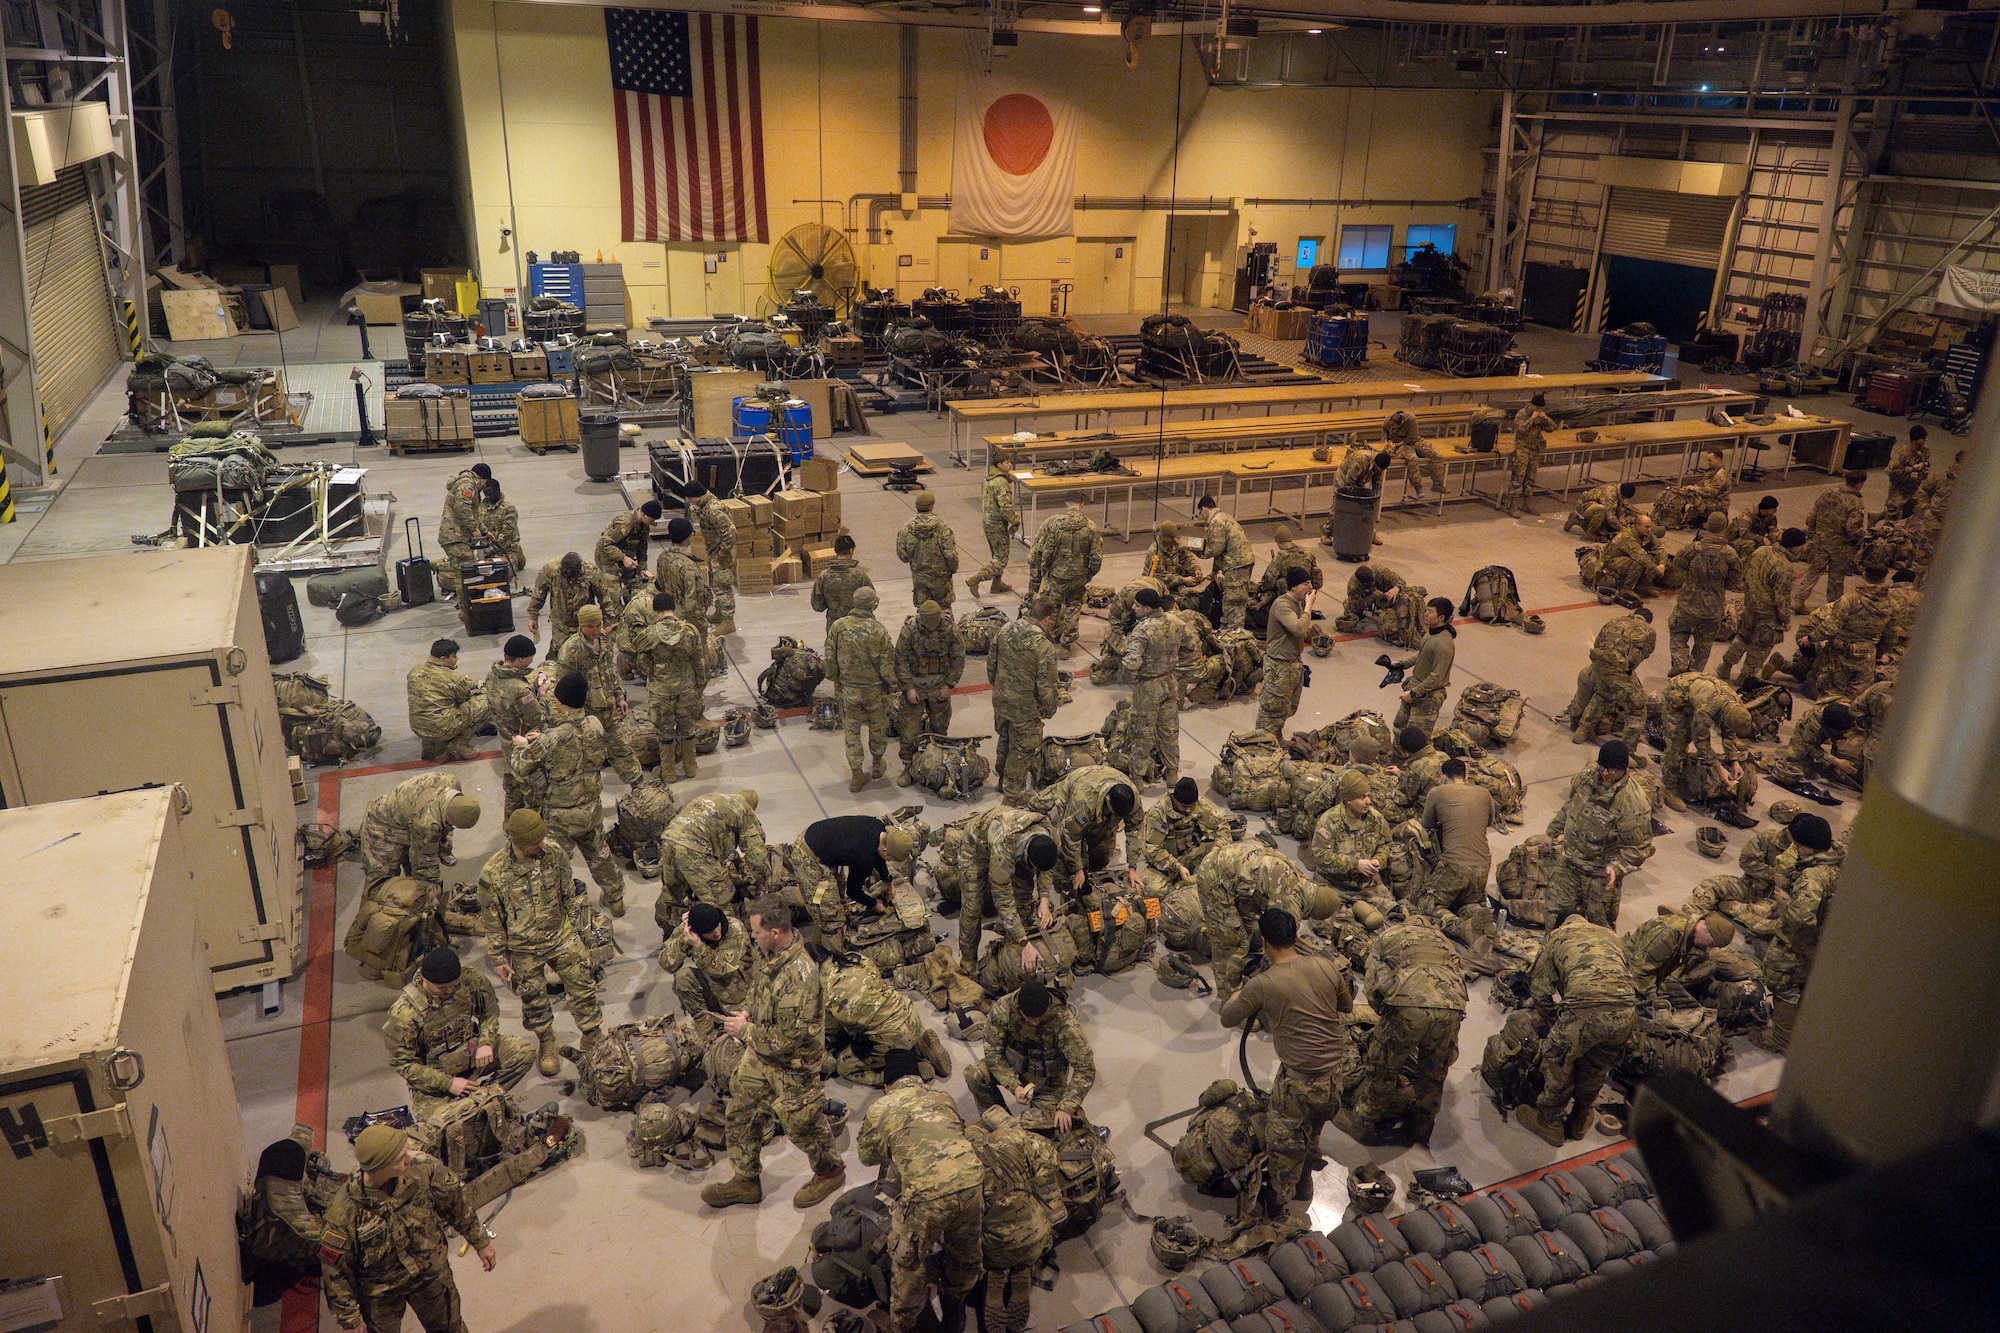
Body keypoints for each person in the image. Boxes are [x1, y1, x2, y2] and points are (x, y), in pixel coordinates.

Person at [701, 896, 848, 1210]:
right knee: (741, 1109)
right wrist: (749, 1015)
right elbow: (760, 991)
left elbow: (788, 1041)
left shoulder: (800, 979)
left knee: (802, 1125)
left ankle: (830, 1172)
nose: (752, 935)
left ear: (777, 932)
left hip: (792, 1065)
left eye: (756, 930)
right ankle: (746, 1179)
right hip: (761, 1055)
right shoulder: (770, 954)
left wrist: (745, 1032)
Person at [1219, 908, 1353, 1208]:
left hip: (1299, 1082)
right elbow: (1346, 1007)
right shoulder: (1326, 966)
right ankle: (1305, 1181)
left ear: (1264, 942)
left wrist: (1238, 991)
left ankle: (1279, 1203)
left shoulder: (1263, 984)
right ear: (1296, 935)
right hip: (1335, 1076)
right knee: (1313, 1128)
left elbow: (1228, 1018)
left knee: (1283, 1146)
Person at [318, 1124, 495, 1333]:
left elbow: (456, 1205)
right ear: (381, 1166)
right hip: (381, 1293)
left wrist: (480, 1242)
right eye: (401, 1157)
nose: (410, 1158)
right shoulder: (344, 1213)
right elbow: (335, 1270)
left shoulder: (423, 1168)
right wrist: (351, 1319)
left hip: (429, 1273)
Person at [858, 1048, 986, 1333]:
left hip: (925, 1198)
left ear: (887, 1085)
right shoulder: (943, 1097)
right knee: (965, 1252)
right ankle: (956, 1306)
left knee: (908, 1263)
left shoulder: (883, 1106)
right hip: (970, 1183)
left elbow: (868, 1155)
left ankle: (902, 1324)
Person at [477, 809, 603, 1075]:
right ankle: (547, 1041)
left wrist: (582, 934)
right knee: (533, 999)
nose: (542, 845)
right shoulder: (493, 874)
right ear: (519, 843)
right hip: (523, 948)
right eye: (536, 842)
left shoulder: (555, 854)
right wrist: (499, 958)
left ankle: (592, 1035)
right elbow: (492, 921)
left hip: (561, 935)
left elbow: (569, 895)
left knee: (583, 984)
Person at [1339, 908, 1466, 1148]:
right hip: (1451, 1007)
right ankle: (1422, 1124)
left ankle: (1366, 1121)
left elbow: (1374, 980)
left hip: (1407, 1006)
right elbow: (1458, 974)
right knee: (1434, 1071)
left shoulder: (1390, 936)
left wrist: (1383, 1011)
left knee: (1383, 1067)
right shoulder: (1445, 941)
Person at [508, 672, 626, 915]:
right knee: (599, 854)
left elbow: (522, 765)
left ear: (559, 702)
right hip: (590, 805)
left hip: (561, 814)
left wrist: (521, 746)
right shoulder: (594, 724)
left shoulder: (554, 737)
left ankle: (555, 906)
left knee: (552, 862)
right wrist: (544, 738)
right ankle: (615, 899)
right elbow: (573, 741)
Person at [1516, 915, 1638, 1147]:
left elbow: (1540, 990)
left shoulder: (1557, 937)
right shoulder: (1612, 936)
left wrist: (1553, 1021)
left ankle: (1549, 1121)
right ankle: (1580, 1118)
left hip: (1585, 1010)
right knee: (1598, 1064)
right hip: (1626, 1012)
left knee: (1557, 1059)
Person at [383, 946, 536, 1121]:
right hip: (438, 1072)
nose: (448, 991)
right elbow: (404, 1064)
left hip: (472, 1053)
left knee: (524, 1051)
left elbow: (490, 1013)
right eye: (441, 988)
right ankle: (475, 1103)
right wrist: (448, 1083)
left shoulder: (471, 980)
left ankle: (484, 1097)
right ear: (425, 979)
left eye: (453, 985)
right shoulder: (404, 1013)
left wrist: (485, 1042)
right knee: (435, 1122)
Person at [965, 1105, 1064, 1333]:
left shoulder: (965, 1159)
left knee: (983, 1231)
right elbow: (1050, 1162)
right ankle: (1023, 1271)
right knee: (1028, 1222)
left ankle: (994, 1277)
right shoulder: (1016, 1138)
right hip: (1035, 1236)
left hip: (993, 1245)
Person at [1538, 741, 1653, 929]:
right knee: (1554, 913)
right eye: (1602, 767)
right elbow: (1571, 806)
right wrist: (1552, 832)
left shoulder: (1633, 803)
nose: (1605, 773)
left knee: (1597, 927)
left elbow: (1640, 847)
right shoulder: (1588, 777)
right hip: (1569, 863)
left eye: (1611, 770)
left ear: (1623, 769)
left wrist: (1616, 868)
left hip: (1599, 876)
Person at [1752, 814, 1841, 1054]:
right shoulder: (1838, 858)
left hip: (1799, 942)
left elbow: (1801, 916)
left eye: (1799, 844)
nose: (1796, 848)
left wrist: (1785, 902)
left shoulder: (1813, 876)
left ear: (1808, 845)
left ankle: (1780, 1039)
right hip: (1824, 939)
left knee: (1783, 984)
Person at [966, 980, 1096, 1133]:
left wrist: (1066, 1107)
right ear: (1019, 1009)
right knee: (975, 1074)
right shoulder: (1004, 1009)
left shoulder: (1064, 1023)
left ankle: (1013, 1128)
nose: (1035, 1023)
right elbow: (993, 1053)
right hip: (1015, 1070)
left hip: (1048, 1085)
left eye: (1039, 1018)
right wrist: (1013, 1085)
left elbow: (1086, 1069)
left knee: (1051, 1130)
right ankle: (997, 1122)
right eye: (1030, 1018)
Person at [1198, 841, 1323, 997]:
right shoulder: (1288, 898)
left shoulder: (1301, 882)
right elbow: (1276, 935)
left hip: (1240, 879)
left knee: (1248, 927)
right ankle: (1229, 995)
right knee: (1232, 942)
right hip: (1215, 878)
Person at [954, 807, 1060, 969]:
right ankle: (968, 961)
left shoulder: (1048, 836)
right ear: (1028, 857)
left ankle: (1014, 937)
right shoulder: (1003, 848)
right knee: (973, 907)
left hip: (1012, 841)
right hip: (976, 848)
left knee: (1024, 896)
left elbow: (1046, 869)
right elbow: (1003, 898)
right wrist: (1024, 942)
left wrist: (1044, 898)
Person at [1416, 757, 1498, 959]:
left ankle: (1462, 928)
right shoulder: (1484, 793)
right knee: (1465, 901)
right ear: (1466, 776)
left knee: (1427, 905)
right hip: (1482, 866)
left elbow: (1426, 825)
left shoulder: (1437, 792)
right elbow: (1489, 821)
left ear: (1443, 776)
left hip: (1453, 865)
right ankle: (1476, 914)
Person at [555, 604, 644, 785]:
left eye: (598, 625)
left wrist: (619, 696)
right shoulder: (570, 650)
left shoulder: (605, 640)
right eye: (590, 626)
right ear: (581, 626)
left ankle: (639, 787)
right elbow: (564, 687)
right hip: (586, 714)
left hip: (609, 709)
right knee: (589, 759)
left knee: (622, 750)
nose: (595, 630)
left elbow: (610, 670)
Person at [655, 790, 770, 928]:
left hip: (669, 839)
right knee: (719, 900)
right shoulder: (744, 809)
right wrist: (758, 878)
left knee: (673, 892)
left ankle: (669, 930)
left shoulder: (714, 798)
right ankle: (729, 941)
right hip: (693, 848)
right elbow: (757, 853)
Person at [825, 584, 898, 792]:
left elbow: (829, 662)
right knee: (877, 727)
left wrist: (838, 680)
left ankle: (856, 774)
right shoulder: (879, 630)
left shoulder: (838, 627)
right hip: (874, 691)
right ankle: (877, 763)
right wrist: (893, 683)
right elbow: (887, 667)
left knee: (851, 732)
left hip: (849, 690)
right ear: (873, 606)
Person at [990, 599, 1062, 805]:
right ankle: (1012, 796)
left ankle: (1002, 780)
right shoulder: (1044, 646)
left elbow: (991, 663)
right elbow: (1046, 685)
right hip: (1026, 707)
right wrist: (1049, 709)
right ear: (1047, 619)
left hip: (1002, 700)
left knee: (1005, 739)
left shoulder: (1005, 630)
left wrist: (998, 687)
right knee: (1022, 749)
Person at [1028, 764, 1143, 891]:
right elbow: (1071, 837)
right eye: (1114, 812)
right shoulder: (1083, 800)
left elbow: (1135, 831)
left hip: (1103, 782)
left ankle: (1094, 874)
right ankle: (1064, 884)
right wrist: (1077, 869)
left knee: (1102, 848)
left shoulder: (1133, 798)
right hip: (1077, 783)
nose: (1116, 817)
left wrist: (1132, 867)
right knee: (1063, 847)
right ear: (1108, 799)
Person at [359, 773, 481, 890]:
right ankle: (371, 909)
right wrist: (433, 889)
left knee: (416, 856)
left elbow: (445, 817)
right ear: (448, 816)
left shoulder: (452, 783)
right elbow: (424, 864)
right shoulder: (427, 823)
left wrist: (448, 833)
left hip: (406, 814)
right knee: (382, 883)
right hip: (382, 826)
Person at [1658, 672, 1756, 816]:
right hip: (1678, 694)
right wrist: (1719, 768)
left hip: (1696, 695)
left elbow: (1729, 733)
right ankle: (1669, 787)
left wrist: (1734, 760)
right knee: (1677, 743)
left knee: (1688, 736)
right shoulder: (1707, 709)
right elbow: (1701, 741)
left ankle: (1677, 771)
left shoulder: (1736, 706)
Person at [1719, 528, 1805, 687]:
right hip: (1768, 615)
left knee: (1742, 638)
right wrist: (1786, 620)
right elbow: (1782, 598)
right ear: (1793, 546)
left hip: (1750, 606)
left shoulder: (1760, 551)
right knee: (1760, 648)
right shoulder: (1784, 567)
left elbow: (1744, 573)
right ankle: (1745, 678)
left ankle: (1725, 667)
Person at [636, 591, 707, 783]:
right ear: (673, 609)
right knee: (688, 729)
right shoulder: (690, 631)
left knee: (665, 733)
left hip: (661, 691)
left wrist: (654, 675)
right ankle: (690, 768)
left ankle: (669, 773)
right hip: (686, 688)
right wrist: (699, 686)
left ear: (656, 611)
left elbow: (642, 663)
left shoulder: (649, 634)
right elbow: (700, 662)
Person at [894, 599, 965, 786]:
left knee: (939, 729)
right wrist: (908, 687)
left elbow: (958, 658)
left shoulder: (950, 631)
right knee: (909, 731)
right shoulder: (910, 630)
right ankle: (909, 766)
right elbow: (900, 659)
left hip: (939, 686)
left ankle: (936, 765)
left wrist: (949, 685)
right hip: (915, 686)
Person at [1120, 587, 1183, 784]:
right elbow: (1190, 645)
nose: (1133, 608)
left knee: (1142, 732)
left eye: (1137, 606)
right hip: (1170, 682)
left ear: (1147, 609)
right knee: (1169, 730)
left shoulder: (1143, 629)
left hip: (1148, 687)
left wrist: (1130, 677)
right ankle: (1172, 773)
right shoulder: (1175, 622)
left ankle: (1137, 777)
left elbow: (1132, 663)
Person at [1667, 512, 1741, 674]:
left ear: (1708, 526)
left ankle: (1679, 660)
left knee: (1678, 632)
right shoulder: (1730, 555)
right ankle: (1693, 673)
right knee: (1704, 643)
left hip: (1688, 602)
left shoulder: (1691, 549)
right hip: (1712, 608)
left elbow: (1677, 568)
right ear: (1724, 527)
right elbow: (1734, 582)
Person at [1306, 771, 1393, 908]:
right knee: (1330, 921)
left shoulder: (1376, 819)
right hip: (1333, 884)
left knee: (1395, 913)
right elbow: (1321, 857)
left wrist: (1378, 860)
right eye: (1362, 797)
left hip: (1367, 884)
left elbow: (1385, 844)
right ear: (1348, 801)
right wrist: (1355, 864)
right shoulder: (1328, 822)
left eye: (1368, 796)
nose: (1368, 801)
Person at [1135, 777, 1234, 898]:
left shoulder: (1198, 805)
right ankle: (1195, 881)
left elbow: (1222, 825)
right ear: (1175, 799)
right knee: (1153, 889)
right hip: (1168, 862)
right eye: (1184, 806)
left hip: (1193, 853)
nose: (1188, 810)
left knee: (1228, 858)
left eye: (1191, 806)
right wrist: (1177, 867)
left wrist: (1216, 848)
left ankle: (1196, 879)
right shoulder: (1158, 814)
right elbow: (1152, 850)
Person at [798, 814, 915, 916]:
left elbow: (877, 854)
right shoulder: (863, 859)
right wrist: (874, 904)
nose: (890, 861)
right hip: (809, 857)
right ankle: (817, 915)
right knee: (825, 906)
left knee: (838, 888)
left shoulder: (878, 826)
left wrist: (887, 879)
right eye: (891, 858)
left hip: (819, 837)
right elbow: (853, 892)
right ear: (885, 851)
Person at [1569, 606, 1655, 743]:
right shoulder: (1649, 630)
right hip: (1617, 670)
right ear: (1648, 621)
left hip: (1598, 664)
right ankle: (1628, 750)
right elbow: (1646, 653)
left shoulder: (1615, 621)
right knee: (1638, 707)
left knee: (1604, 693)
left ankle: (1582, 730)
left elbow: (1598, 642)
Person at [1027, 500, 1102, 652]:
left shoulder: (1056, 524)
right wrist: (1090, 574)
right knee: (1073, 608)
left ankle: (1052, 637)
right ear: (1082, 504)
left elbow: (1048, 550)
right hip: (1078, 576)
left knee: (1053, 606)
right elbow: (1097, 557)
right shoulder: (1091, 527)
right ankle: (1066, 645)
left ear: (1067, 503)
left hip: (1057, 575)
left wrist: (1046, 569)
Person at [485, 636, 547, 817]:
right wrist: (541, 695)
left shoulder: (492, 676)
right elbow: (537, 719)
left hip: (506, 743)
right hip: (523, 747)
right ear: (521, 660)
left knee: (512, 793)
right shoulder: (520, 690)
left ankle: (510, 827)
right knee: (533, 796)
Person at [1621, 909, 1735, 1007]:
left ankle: (1667, 990)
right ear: (1706, 931)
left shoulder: (1692, 932)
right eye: (1712, 944)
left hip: (1655, 967)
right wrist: (1653, 1000)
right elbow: (1641, 971)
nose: (1709, 948)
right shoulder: (1668, 934)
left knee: (1708, 966)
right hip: (1627, 966)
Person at [659, 901, 753, 1017]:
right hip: (712, 987)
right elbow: (666, 964)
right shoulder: (689, 931)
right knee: (683, 977)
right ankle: (705, 1024)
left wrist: (699, 946)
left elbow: (723, 970)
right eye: (709, 931)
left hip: (738, 995)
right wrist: (683, 941)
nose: (717, 932)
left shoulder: (735, 929)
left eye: (716, 925)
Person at [1793, 469, 1868, 613]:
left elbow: (1812, 518)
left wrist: (1813, 532)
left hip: (1821, 540)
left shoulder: (1828, 494)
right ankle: (1833, 607)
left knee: (1813, 571)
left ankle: (1799, 600)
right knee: (1836, 578)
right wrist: (1861, 537)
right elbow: (1852, 528)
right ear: (1859, 485)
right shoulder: (1856, 503)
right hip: (1841, 546)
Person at [1256, 568, 1315, 741]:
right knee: (1272, 709)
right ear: (1294, 586)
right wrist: (1309, 606)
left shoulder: (1297, 603)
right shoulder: (1283, 604)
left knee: (1285, 708)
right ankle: (1262, 744)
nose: (1310, 587)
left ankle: (1275, 738)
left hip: (1291, 663)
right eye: (1306, 583)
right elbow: (1298, 628)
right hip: (1279, 666)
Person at [527, 551, 619, 660]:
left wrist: (609, 621)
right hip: (561, 624)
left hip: (585, 624)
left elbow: (604, 598)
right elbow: (538, 594)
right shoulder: (550, 570)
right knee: (559, 655)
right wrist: (533, 616)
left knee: (588, 656)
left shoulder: (591, 572)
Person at [407, 639, 487, 762]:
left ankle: (430, 747)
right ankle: (459, 745)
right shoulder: (452, 677)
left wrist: (475, 683)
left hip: (418, 726)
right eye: (454, 656)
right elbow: (464, 698)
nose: (456, 659)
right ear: (443, 658)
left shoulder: (415, 671)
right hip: (442, 728)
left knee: (432, 707)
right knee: (484, 703)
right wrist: (482, 690)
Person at [653, 517, 715, 666]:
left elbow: (660, 584)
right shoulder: (689, 566)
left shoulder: (663, 557)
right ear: (688, 537)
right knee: (699, 647)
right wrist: (700, 623)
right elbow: (692, 599)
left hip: (669, 611)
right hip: (687, 615)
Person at [1390, 598, 1456, 735]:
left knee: (1416, 735)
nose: (1425, 614)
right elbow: (1423, 655)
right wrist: (1402, 664)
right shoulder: (1430, 633)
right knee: (1399, 727)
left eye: (1430, 612)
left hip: (1427, 695)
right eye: (1426, 610)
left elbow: (1437, 677)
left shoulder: (1443, 644)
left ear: (1441, 617)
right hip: (1416, 688)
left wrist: (1414, 693)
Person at [682, 482, 740, 634]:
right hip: (715, 550)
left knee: (722, 586)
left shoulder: (713, 509)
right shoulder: (705, 505)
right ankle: (720, 613)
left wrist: (722, 553)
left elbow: (731, 532)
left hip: (721, 553)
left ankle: (728, 622)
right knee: (716, 583)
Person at [1195, 494, 1255, 630]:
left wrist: (1197, 551)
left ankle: (1233, 634)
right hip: (1241, 562)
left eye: (1200, 513)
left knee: (1233, 601)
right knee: (1236, 599)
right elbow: (1221, 552)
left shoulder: (1216, 521)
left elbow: (1215, 549)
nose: (1201, 516)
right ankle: (1233, 631)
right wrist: (1214, 571)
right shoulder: (1225, 517)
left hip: (1236, 565)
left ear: (1204, 509)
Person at [967, 455, 1020, 599]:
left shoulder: (988, 479)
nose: (1009, 464)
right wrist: (1015, 520)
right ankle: (976, 579)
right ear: (999, 465)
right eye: (1006, 462)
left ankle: (996, 585)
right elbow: (1005, 507)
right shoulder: (1001, 482)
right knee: (1001, 559)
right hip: (997, 524)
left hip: (988, 521)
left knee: (996, 554)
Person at [896, 491, 960, 609]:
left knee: (924, 612)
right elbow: (950, 554)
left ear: (916, 506)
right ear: (932, 506)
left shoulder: (906, 528)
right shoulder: (942, 527)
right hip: (941, 579)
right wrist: (953, 568)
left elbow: (903, 556)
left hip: (920, 578)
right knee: (944, 612)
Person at [436, 464, 491, 599]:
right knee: (465, 575)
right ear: (482, 479)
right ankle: (466, 610)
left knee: (465, 572)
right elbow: (462, 508)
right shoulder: (468, 485)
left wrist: (484, 531)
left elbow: (474, 513)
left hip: (456, 537)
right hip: (455, 537)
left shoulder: (467, 483)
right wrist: (474, 530)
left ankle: (466, 607)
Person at [1503, 393, 1555, 516]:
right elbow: (1521, 429)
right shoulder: (1522, 413)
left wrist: (1545, 418)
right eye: (1537, 408)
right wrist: (1532, 418)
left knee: (1531, 477)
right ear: (1531, 405)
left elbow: (1552, 428)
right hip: (1523, 448)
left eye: (1540, 408)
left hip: (1535, 448)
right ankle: (1513, 505)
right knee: (1518, 477)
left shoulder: (1541, 415)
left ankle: (1527, 503)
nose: (1538, 410)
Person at [811, 533, 875, 631]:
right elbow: (872, 602)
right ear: (851, 551)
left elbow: (817, 606)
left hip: (834, 628)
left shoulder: (823, 576)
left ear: (835, 551)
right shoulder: (860, 576)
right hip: (857, 629)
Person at [1596, 513, 1666, 601]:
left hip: (1627, 558)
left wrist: (1662, 563)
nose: (1649, 529)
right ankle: (1626, 589)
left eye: (1650, 526)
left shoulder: (1646, 533)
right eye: (1647, 527)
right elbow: (1641, 557)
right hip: (1612, 561)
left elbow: (1660, 548)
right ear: (1637, 526)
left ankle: (1641, 585)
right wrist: (1657, 570)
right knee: (1639, 563)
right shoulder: (1627, 536)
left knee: (1652, 558)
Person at [1786, 700, 1859, 784]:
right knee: (1801, 767)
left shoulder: (1846, 707)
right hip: (1807, 738)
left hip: (1836, 723)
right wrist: (1836, 761)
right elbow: (1810, 746)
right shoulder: (1813, 727)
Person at [1383, 409, 1446, 498]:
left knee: (1436, 455)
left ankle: (1437, 482)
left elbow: (1413, 437)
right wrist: (1388, 443)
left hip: (1412, 441)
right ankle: (1418, 486)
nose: (1392, 427)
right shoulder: (1387, 422)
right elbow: (1386, 433)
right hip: (1400, 445)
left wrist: (1398, 444)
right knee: (1412, 459)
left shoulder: (1411, 419)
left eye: (1394, 426)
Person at [595, 500, 660, 583]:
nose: (652, 523)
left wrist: (643, 568)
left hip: (626, 557)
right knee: (614, 592)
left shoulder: (644, 526)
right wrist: (623, 558)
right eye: (652, 520)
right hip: (608, 559)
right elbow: (605, 543)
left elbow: (642, 547)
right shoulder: (625, 524)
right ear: (643, 514)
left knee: (633, 586)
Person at [1143, 520, 1203, 604]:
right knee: (1187, 603)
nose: (1174, 539)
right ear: (1164, 537)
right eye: (1171, 537)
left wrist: (1196, 568)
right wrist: (1183, 580)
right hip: (1160, 586)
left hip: (1176, 581)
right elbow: (1160, 577)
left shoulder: (1174, 543)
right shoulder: (1155, 552)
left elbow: (1186, 557)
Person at [1339, 562, 1406, 632]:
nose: (1372, 584)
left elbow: (1401, 581)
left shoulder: (1380, 571)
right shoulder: (1353, 586)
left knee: (1404, 597)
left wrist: (1395, 589)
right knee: (1350, 612)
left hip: (1388, 594)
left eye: (1373, 581)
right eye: (1369, 584)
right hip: (1367, 598)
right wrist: (1372, 597)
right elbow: (1353, 607)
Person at [1565, 480, 1640, 541]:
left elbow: (1621, 506)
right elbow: (1610, 517)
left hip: (1593, 504)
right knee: (1601, 510)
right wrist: (1623, 529)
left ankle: (1576, 520)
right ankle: (1590, 533)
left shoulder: (1618, 488)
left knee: (1604, 524)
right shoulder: (1611, 496)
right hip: (1584, 505)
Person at [1885, 423, 1930, 519]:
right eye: (1923, 439)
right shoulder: (1902, 453)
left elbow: (1927, 461)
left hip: (1914, 486)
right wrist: (1911, 469)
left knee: (1921, 508)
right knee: (1894, 512)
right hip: (1900, 487)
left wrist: (1924, 464)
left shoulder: (1924, 451)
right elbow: (1891, 471)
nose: (1925, 441)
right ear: (1916, 439)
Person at [1727, 494, 1782, 561]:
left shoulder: (1770, 517)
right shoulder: (1749, 514)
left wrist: (1776, 536)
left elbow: (1772, 530)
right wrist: (1762, 539)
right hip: (1736, 539)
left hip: (1755, 537)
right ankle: (1746, 562)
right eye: (1773, 509)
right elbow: (1744, 533)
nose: (1775, 510)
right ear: (1767, 509)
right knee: (1750, 544)